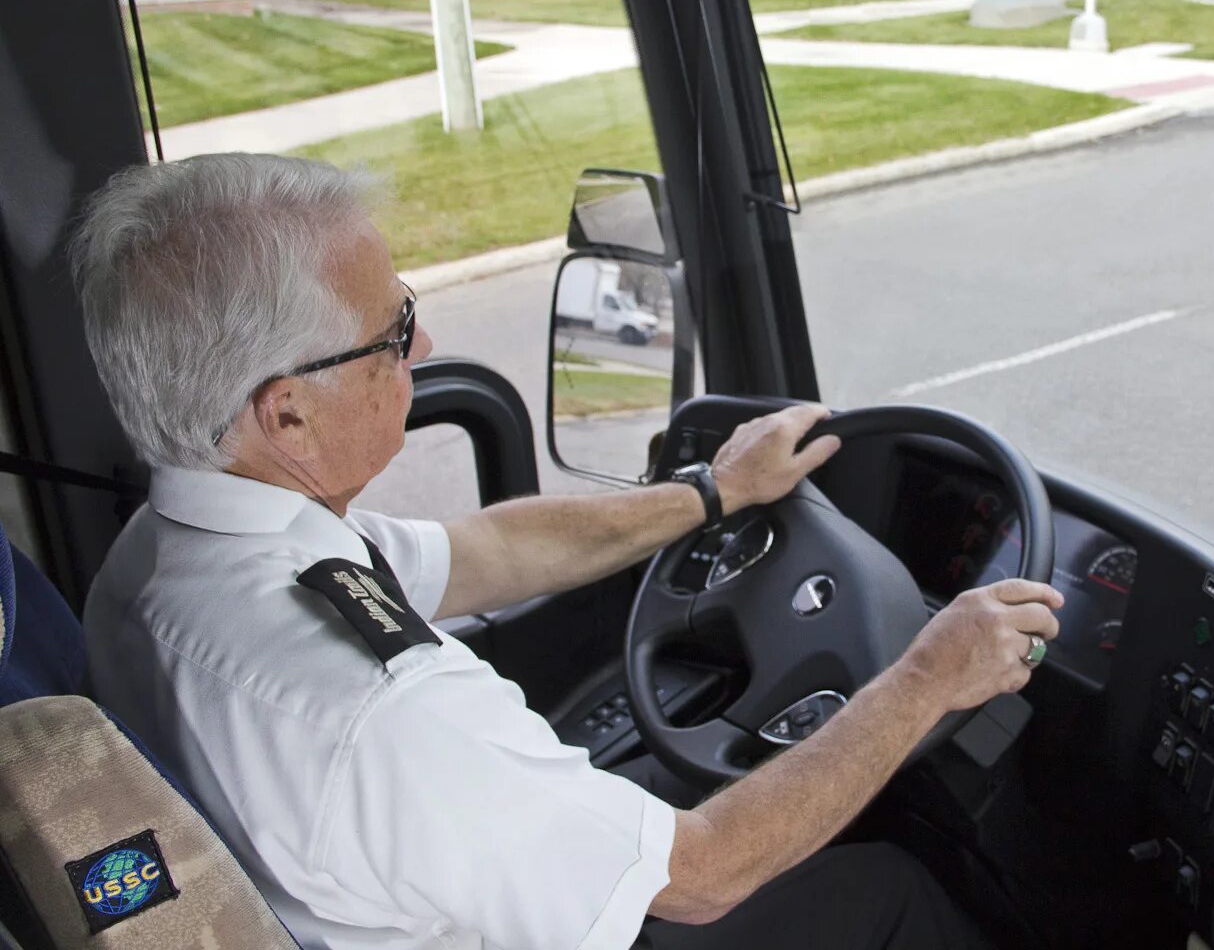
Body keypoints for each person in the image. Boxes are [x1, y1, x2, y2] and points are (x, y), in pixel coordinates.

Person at [73, 153, 1063, 950]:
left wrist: (712, 492)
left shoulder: (166, 553)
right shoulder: (381, 713)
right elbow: (703, 874)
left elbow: (481, 553)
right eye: (395, 329)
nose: (423, 349)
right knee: (882, 889)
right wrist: (929, 674)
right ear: (287, 413)